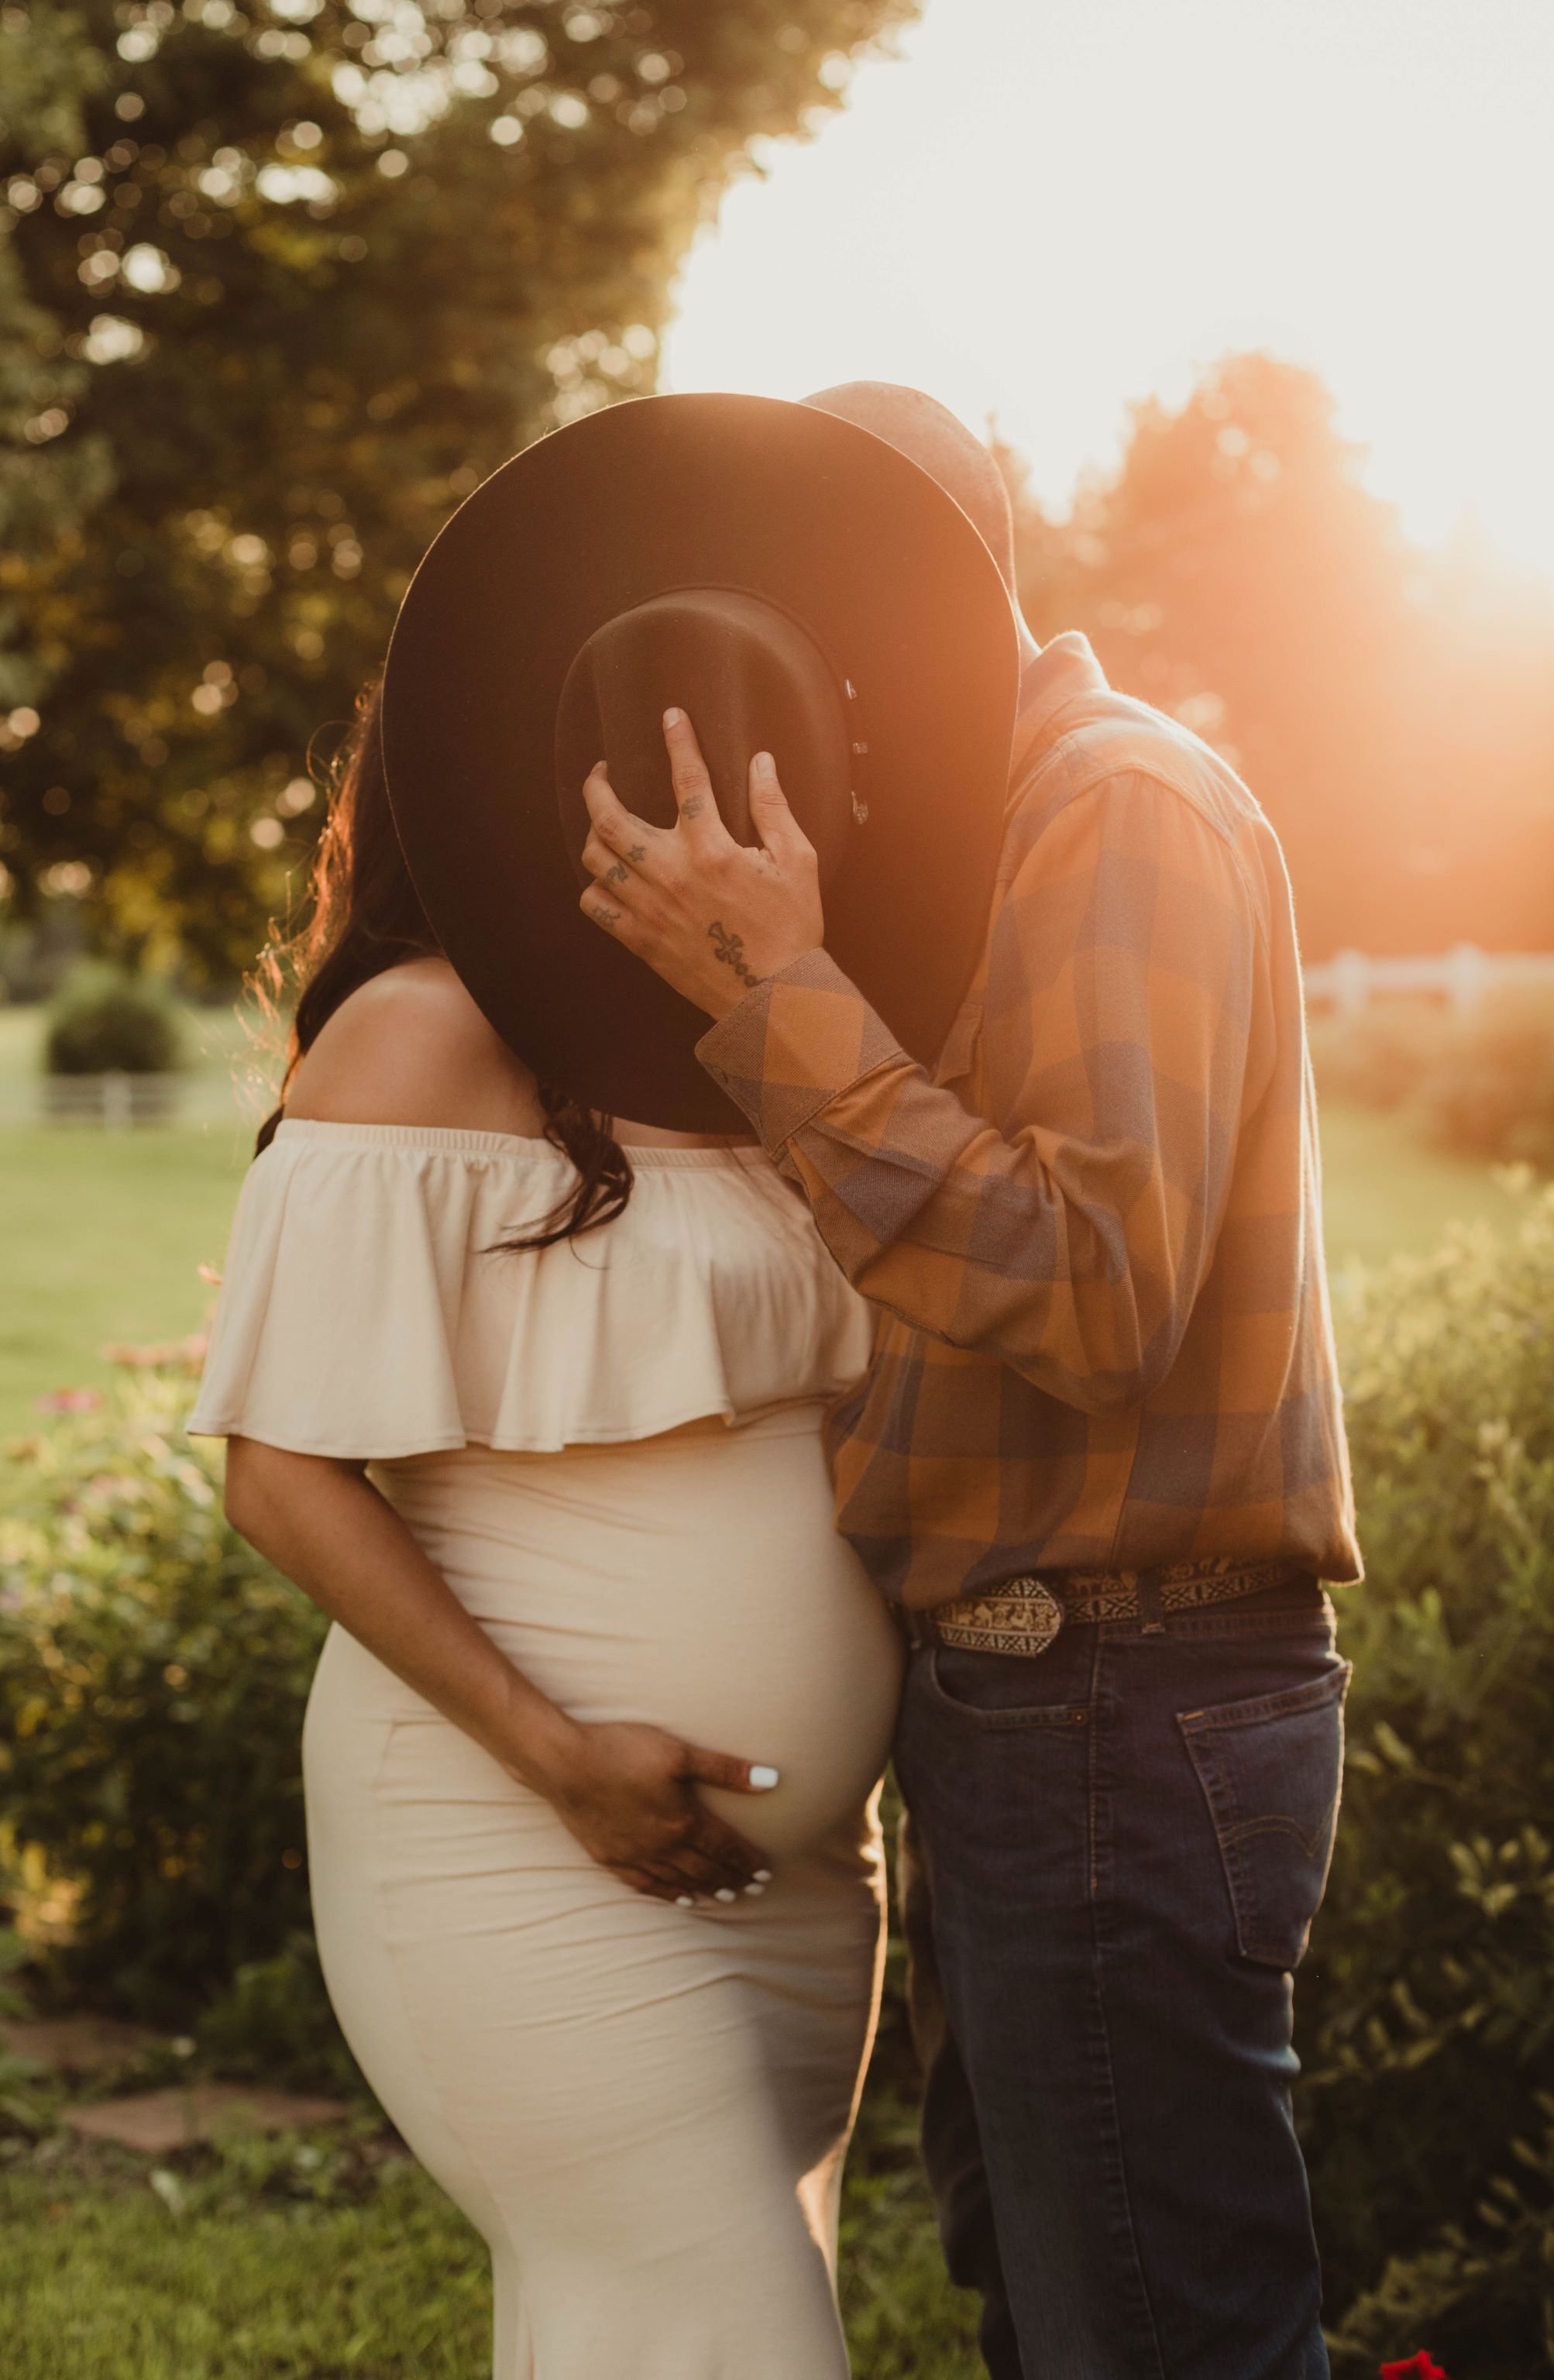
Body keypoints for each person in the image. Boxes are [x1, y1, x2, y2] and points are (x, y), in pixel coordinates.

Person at [189, 393, 1023, 2380]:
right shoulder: (413, 1042)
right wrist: (550, 1749)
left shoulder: (780, 1038)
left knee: (639, 2331)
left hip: (796, 1877)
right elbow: (277, 1474)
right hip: (517, 1827)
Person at [579, 382, 1365, 2380]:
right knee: (1059, 2312)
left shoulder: (1108, 807)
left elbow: (1096, 1291)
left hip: (1118, 1694)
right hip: (1038, 1707)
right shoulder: (956, 844)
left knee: (1153, 2340)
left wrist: (779, 1007)